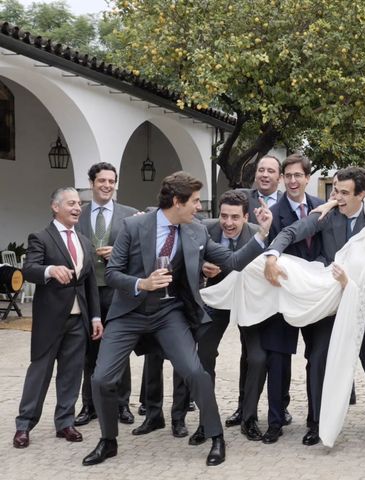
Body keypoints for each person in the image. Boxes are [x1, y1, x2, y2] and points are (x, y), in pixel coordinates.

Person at [82, 171, 273, 467]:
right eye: (195, 201)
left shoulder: (196, 230)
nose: (199, 207)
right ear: (176, 201)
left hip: (168, 313)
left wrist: (262, 234)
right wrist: (141, 283)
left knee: (195, 372)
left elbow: (233, 261)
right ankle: (108, 441)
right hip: (129, 314)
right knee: (101, 378)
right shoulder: (132, 226)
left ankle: (216, 437)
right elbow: (111, 273)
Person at [201, 198, 365, 448]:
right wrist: (330, 204)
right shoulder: (361, 228)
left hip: (336, 294)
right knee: (260, 267)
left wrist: (349, 282)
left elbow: (361, 294)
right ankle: (229, 298)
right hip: (323, 277)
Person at [262, 166, 365, 449]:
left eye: (345, 193)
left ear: (362, 194)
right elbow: (293, 231)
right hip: (329, 302)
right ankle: (316, 423)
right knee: (318, 356)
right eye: (335, 191)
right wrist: (272, 255)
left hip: (363, 302)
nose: (338, 197)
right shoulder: (326, 214)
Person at [13, 187, 102, 449]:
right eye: (71, 203)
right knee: (39, 372)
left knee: (71, 374)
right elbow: (29, 269)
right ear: (55, 206)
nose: (77, 208)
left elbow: (90, 285)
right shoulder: (40, 237)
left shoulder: (85, 242)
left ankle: (65, 423)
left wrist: (96, 317)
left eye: (79, 204)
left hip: (79, 320)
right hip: (50, 319)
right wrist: (50, 270)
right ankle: (24, 425)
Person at [178, 190, 265, 446]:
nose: (228, 222)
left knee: (258, 357)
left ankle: (248, 417)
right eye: (224, 216)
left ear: (246, 217)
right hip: (214, 300)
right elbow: (159, 217)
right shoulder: (203, 228)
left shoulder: (259, 233)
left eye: (235, 217)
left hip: (247, 300)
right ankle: (207, 421)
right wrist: (200, 264)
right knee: (203, 355)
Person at [257, 153, 325, 444]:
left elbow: (329, 247)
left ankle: (315, 422)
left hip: (314, 296)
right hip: (282, 295)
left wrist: (317, 268)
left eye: (299, 175)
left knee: (317, 358)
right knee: (278, 358)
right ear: (283, 179)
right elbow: (269, 250)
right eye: (289, 176)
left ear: (308, 178)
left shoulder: (323, 208)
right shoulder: (272, 212)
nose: (293, 180)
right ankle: (276, 420)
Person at [75, 162, 138, 428]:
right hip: (87, 291)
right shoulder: (79, 214)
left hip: (117, 291)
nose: (107, 186)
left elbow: (138, 252)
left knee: (119, 348)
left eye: (111, 181)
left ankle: (121, 404)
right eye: (102, 181)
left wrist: (119, 253)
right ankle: (89, 404)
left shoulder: (130, 215)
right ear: (91, 184)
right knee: (89, 350)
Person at [226, 154, 283, 427]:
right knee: (249, 353)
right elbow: (226, 231)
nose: (265, 175)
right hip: (247, 289)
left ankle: (279, 407)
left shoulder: (288, 203)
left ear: (279, 177)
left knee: (277, 352)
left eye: (271, 171)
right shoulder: (240, 198)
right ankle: (243, 407)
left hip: (277, 290)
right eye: (261, 170)